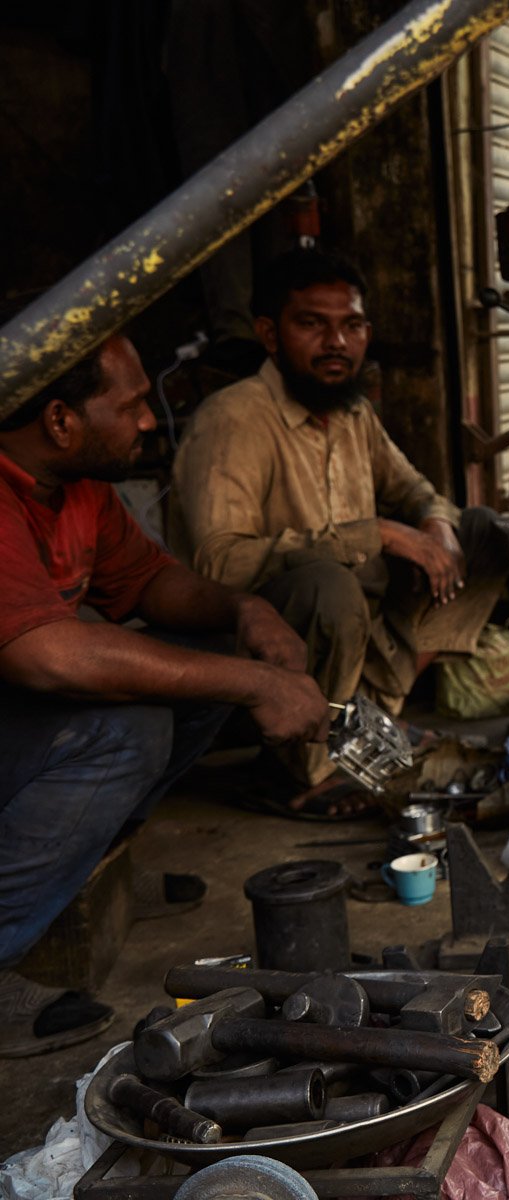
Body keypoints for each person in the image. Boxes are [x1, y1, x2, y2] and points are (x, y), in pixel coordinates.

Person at [0, 334, 328, 1056]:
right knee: (132, 730)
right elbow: (44, 655)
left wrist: (245, 612)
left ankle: (86, 868)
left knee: (200, 674)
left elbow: (150, 583)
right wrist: (259, 680)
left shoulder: (78, 486)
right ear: (60, 419)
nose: (151, 419)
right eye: (134, 404)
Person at [172, 249, 506, 811]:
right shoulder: (233, 419)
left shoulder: (352, 413)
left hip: (359, 634)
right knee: (328, 583)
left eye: (351, 326)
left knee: (482, 534)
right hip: (266, 641)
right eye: (312, 324)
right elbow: (216, 563)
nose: (337, 343)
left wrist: (436, 526)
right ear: (270, 334)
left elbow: (417, 490)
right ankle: (302, 770)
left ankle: (374, 719)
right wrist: (375, 533)